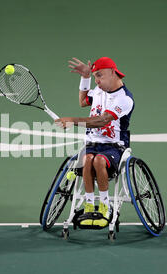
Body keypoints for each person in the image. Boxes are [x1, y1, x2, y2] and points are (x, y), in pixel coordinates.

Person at [55, 57, 135, 227]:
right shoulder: (98, 91)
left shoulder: (125, 99)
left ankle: (105, 206)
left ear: (113, 73)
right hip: (92, 144)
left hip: (115, 146)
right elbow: (83, 101)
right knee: (87, 160)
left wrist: (72, 120)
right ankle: (89, 205)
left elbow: (102, 120)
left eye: (100, 75)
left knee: (98, 161)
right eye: (95, 76)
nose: (97, 80)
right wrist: (85, 77)